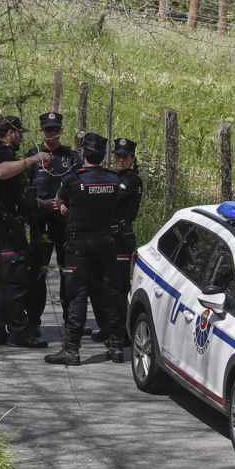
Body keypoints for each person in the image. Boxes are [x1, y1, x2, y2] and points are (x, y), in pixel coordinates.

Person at [46, 132, 125, 365]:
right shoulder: (113, 179)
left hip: (78, 245)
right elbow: (118, 207)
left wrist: (68, 210)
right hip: (106, 243)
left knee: (77, 295)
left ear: (84, 152)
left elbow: (60, 204)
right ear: (103, 154)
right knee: (108, 293)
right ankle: (116, 345)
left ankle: (72, 349)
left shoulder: (73, 179)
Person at [0, 115, 47, 348]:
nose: (21, 137)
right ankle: (19, 332)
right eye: (19, 133)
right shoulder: (1, 153)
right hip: (2, 228)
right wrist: (32, 159)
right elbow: (2, 172)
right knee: (15, 279)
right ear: (10, 133)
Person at [24, 111, 80, 338]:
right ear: (42, 131)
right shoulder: (33, 156)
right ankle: (33, 321)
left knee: (69, 273)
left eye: (55, 130)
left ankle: (70, 322)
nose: (51, 135)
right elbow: (24, 193)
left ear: (61, 131)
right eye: (48, 130)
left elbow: (79, 188)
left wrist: (67, 205)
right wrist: (43, 205)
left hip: (66, 224)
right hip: (41, 225)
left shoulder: (72, 157)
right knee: (38, 273)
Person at [97, 137, 141, 347]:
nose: (121, 160)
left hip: (121, 238)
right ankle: (108, 328)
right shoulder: (113, 176)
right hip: (107, 237)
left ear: (132, 159)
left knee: (118, 288)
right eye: (118, 156)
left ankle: (121, 333)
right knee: (105, 287)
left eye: (125, 157)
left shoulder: (132, 180)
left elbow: (113, 197)